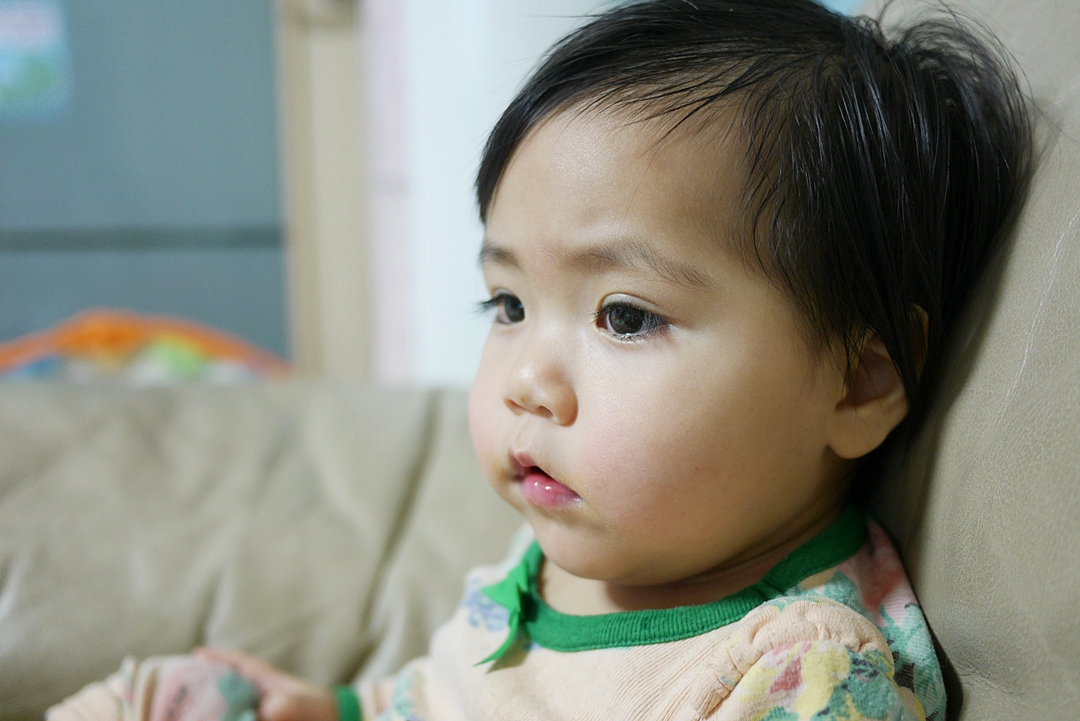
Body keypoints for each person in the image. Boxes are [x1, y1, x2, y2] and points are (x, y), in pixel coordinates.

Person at [47, 1, 1030, 719]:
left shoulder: (801, 678)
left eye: (626, 317)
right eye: (509, 304)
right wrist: (336, 707)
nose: (525, 379)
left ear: (858, 381)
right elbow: (448, 694)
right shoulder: (562, 560)